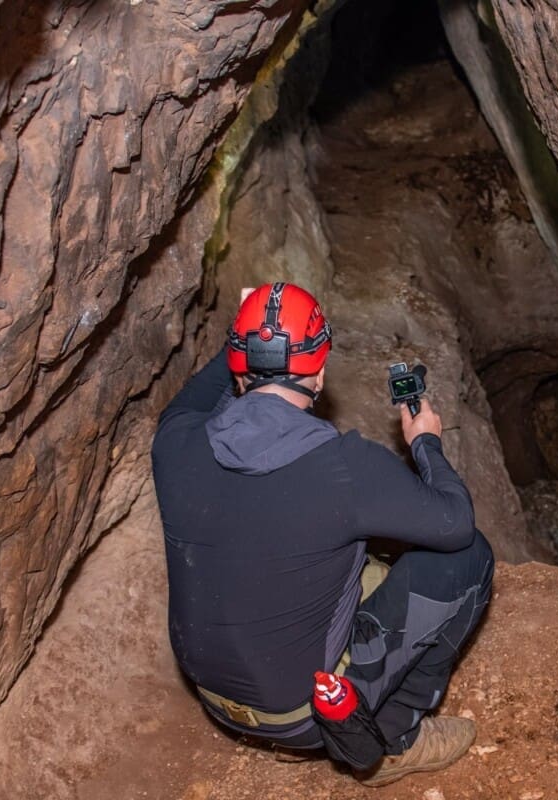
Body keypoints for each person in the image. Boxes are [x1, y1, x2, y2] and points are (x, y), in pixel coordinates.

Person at [151, 282, 494, 786]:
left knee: (345, 551)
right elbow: (455, 522)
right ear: (320, 372)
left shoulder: (174, 440)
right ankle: (394, 739)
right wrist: (426, 445)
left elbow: (211, 386)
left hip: (214, 699)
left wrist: (257, 322)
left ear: (240, 363)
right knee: (467, 558)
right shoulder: (344, 468)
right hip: (305, 714)